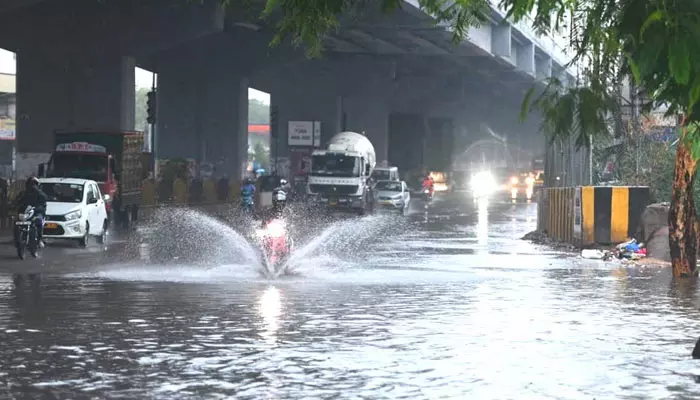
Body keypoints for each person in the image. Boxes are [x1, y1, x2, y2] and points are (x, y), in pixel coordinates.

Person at [16, 176, 48, 248]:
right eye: (30, 184)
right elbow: (17, 201)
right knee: (16, 223)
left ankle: (39, 239)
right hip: (25, 213)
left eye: (34, 184)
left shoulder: (40, 194)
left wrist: (38, 208)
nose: (32, 186)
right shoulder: (23, 193)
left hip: (36, 212)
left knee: (39, 221)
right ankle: (17, 240)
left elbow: (44, 203)